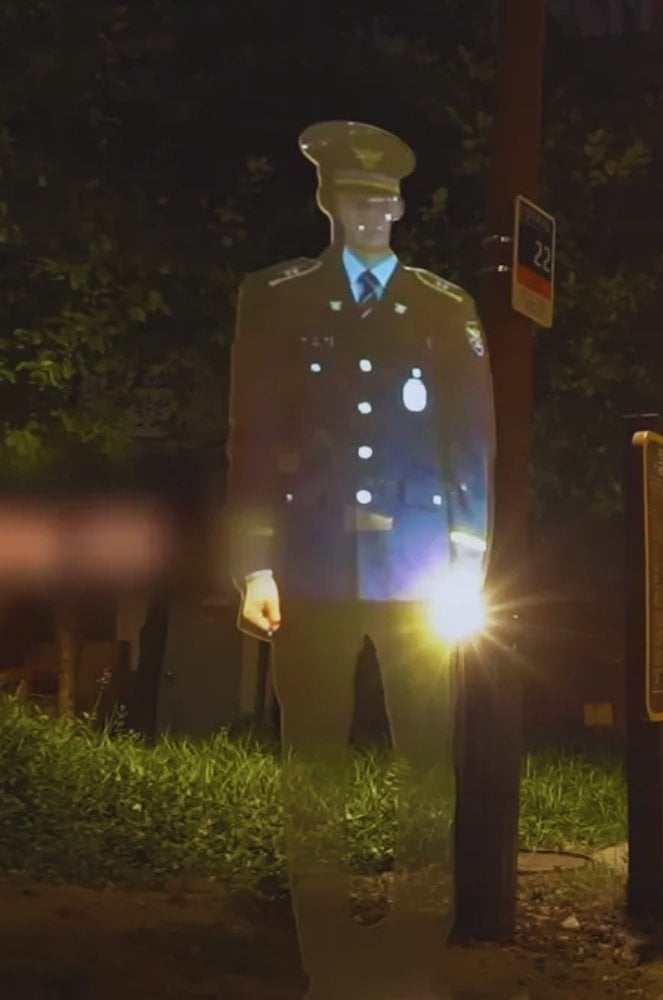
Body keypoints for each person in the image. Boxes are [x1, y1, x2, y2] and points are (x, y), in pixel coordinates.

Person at [226, 120, 495, 1000]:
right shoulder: (275, 298)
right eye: (354, 198)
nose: (372, 211)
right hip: (311, 564)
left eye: (384, 198)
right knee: (313, 762)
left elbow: (471, 442)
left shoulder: (444, 306)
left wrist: (468, 558)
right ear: (327, 204)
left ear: (403, 206)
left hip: (420, 569)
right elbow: (254, 440)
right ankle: (328, 957)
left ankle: (414, 948)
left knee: (427, 753)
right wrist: (255, 565)